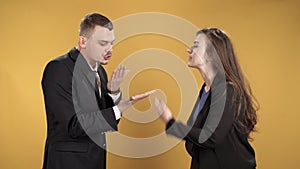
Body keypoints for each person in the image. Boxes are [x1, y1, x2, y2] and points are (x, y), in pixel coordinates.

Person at [41, 13, 154, 169]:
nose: (110, 49)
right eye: (103, 43)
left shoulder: (100, 71)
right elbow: (74, 126)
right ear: (83, 41)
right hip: (68, 163)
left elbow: (103, 121)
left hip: (95, 161)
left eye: (111, 43)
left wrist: (113, 93)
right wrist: (118, 109)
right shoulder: (58, 69)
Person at [155, 28, 258, 169]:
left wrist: (171, 123)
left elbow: (211, 137)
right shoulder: (206, 89)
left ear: (211, 55)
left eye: (196, 45)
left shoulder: (227, 91)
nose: (189, 50)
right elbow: (196, 132)